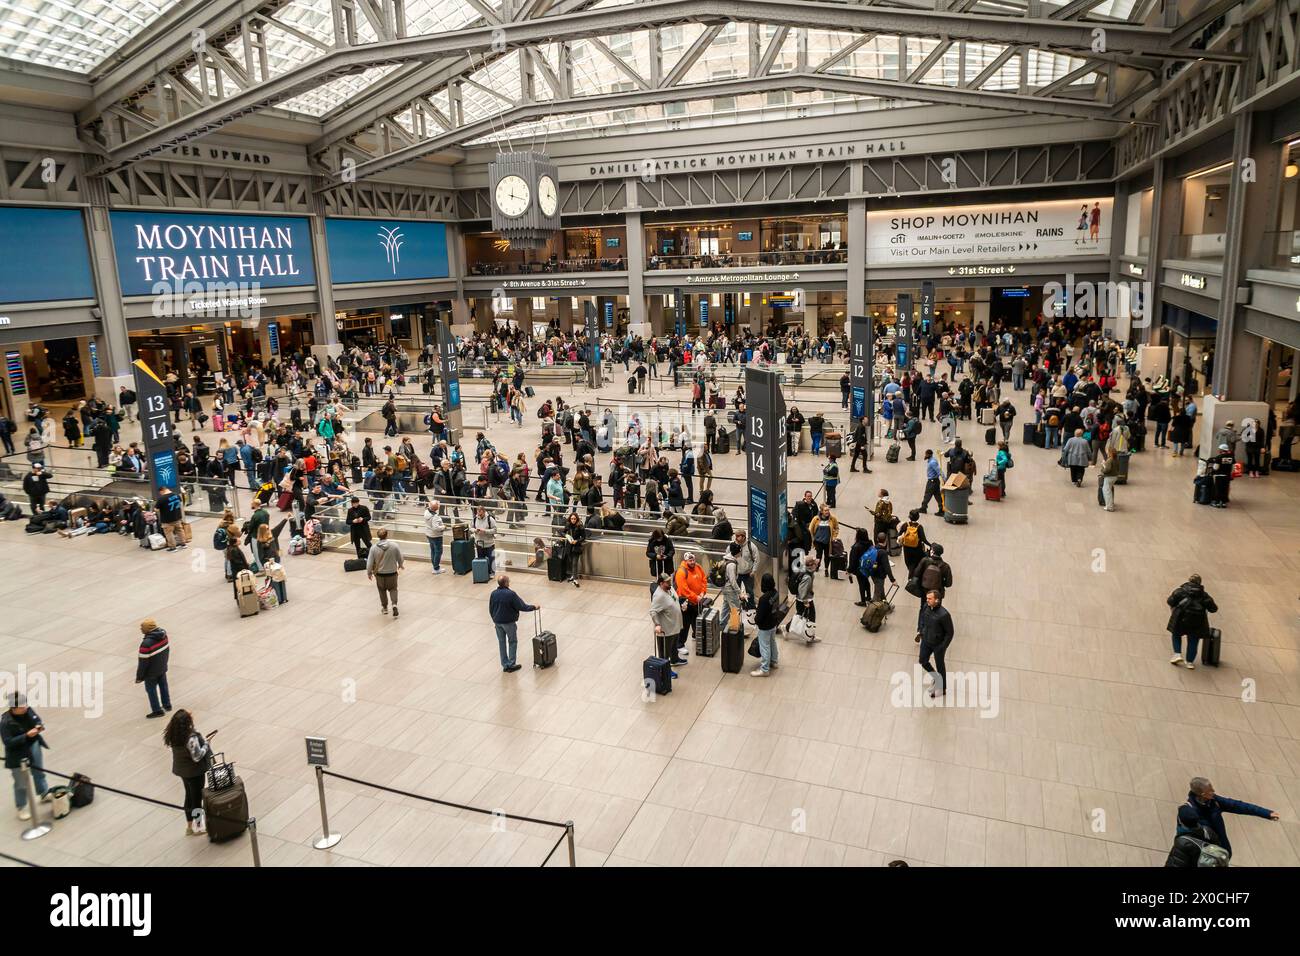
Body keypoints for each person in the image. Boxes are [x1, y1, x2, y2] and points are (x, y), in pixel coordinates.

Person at [1181, 777, 1278, 856]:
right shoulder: (1189, 813)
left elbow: (1237, 805)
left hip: (1221, 851)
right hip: (1205, 855)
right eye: (1210, 790)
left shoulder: (1214, 801)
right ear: (1203, 794)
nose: (1214, 791)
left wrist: (1266, 813)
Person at [163, 709, 213, 836]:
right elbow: (197, 756)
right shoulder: (190, 738)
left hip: (183, 771)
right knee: (196, 799)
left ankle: (189, 827)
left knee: (189, 797)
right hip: (194, 772)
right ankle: (198, 826)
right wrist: (206, 744)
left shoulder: (174, 735)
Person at [2, 692, 48, 821]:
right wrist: (27, 735)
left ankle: (43, 793)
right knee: (20, 783)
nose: (26, 707)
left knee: (39, 772)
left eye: (26, 704)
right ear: (13, 708)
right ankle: (21, 807)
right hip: (17, 755)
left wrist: (38, 726)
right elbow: (8, 742)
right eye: (22, 707)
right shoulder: (5, 722)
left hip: (33, 746)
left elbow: (36, 719)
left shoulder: (27, 709)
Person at [1166, 574, 1218, 669]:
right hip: (1198, 621)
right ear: (1200, 583)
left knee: (1176, 634)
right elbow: (1214, 609)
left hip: (1181, 618)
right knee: (1193, 639)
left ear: (1189, 581)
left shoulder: (1180, 591)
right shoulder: (1204, 595)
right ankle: (1189, 662)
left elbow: (1170, 601)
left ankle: (1177, 654)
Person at [489, 574, 538, 672]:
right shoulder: (511, 594)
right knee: (512, 641)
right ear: (506, 583)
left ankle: (505, 664)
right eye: (508, 581)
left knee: (501, 643)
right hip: (509, 623)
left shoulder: (493, 593)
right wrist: (533, 607)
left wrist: (494, 618)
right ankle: (511, 664)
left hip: (497, 622)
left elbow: (491, 608)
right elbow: (522, 606)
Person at [918, 590, 954, 698]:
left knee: (940, 666)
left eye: (930, 599)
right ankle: (936, 678)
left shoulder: (944, 615)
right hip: (926, 640)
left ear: (937, 600)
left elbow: (950, 633)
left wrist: (942, 647)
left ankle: (942, 688)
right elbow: (922, 618)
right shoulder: (926, 607)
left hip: (938, 645)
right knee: (923, 661)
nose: (927, 600)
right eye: (927, 598)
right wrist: (921, 629)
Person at [674, 552, 708, 661]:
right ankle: (680, 645)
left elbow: (704, 580)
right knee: (685, 624)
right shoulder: (681, 572)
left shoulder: (698, 567)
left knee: (696, 619)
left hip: (697, 600)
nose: (692, 562)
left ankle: (695, 635)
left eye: (693, 560)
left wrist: (703, 592)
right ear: (686, 561)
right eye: (690, 561)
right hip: (686, 602)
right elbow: (684, 590)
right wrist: (696, 597)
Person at [135, 618, 172, 719]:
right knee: (163, 686)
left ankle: (157, 710)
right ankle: (167, 705)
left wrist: (139, 677)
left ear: (148, 629)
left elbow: (143, 663)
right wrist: (164, 665)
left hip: (151, 673)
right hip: (162, 667)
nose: (140, 629)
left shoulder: (146, 644)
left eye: (142, 627)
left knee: (151, 690)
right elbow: (167, 652)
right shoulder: (164, 636)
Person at [366, 527, 405, 616]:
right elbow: (400, 557)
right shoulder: (394, 546)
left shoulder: (373, 548)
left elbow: (370, 562)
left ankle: (385, 608)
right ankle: (394, 604)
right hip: (392, 573)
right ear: (387, 535)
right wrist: (400, 565)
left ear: (378, 536)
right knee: (393, 589)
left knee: (382, 590)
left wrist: (369, 573)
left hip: (379, 574)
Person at [650, 572, 686, 667]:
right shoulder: (659, 596)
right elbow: (653, 611)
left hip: (675, 625)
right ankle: (665, 671)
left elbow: (674, 600)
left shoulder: (670, 588)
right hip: (667, 630)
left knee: (674, 646)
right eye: (667, 582)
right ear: (661, 583)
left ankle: (675, 660)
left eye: (669, 580)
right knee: (664, 653)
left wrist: (681, 605)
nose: (670, 583)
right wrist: (657, 624)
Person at [750, 573, 781, 677]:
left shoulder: (763, 599)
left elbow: (760, 616)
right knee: (772, 642)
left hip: (765, 626)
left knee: (765, 646)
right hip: (773, 623)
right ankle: (774, 661)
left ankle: (764, 669)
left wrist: (756, 620)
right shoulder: (776, 593)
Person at [792, 556, 819, 643]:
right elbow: (802, 590)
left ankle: (810, 635)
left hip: (803, 599)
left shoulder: (807, 571)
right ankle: (810, 636)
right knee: (811, 617)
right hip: (805, 600)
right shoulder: (807, 576)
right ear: (811, 565)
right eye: (815, 563)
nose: (817, 565)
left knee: (801, 616)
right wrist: (805, 601)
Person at [561, 511, 586, 584]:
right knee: (571, 562)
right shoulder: (568, 525)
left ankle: (575, 578)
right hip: (569, 546)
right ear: (570, 519)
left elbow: (584, 537)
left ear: (577, 519)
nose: (573, 520)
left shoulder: (580, 526)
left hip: (576, 547)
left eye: (574, 519)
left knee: (575, 563)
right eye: (572, 519)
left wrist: (577, 541)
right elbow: (563, 532)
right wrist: (566, 536)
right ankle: (573, 576)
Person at [424, 499, 446, 573]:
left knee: (433, 550)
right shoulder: (434, 517)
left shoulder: (426, 512)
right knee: (438, 551)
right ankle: (436, 568)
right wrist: (443, 527)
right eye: (438, 505)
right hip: (436, 536)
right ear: (436, 508)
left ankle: (434, 566)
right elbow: (436, 527)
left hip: (429, 534)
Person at [919, 449, 943, 516]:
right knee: (937, 496)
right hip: (935, 481)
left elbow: (939, 471)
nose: (925, 455)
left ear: (929, 454)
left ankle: (923, 508)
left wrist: (945, 479)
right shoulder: (932, 460)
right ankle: (941, 509)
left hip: (932, 482)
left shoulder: (932, 462)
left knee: (927, 495)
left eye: (926, 454)